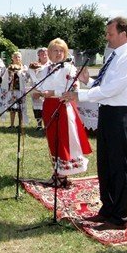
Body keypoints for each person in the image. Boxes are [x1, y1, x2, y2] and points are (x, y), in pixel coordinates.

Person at [62, 17, 127, 231]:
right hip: (108, 112)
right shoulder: (116, 56)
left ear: (123, 33)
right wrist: (87, 81)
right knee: (106, 164)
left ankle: (119, 218)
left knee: (118, 166)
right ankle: (107, 209)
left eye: (110, 33)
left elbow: (113, 89)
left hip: (121, 114)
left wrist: (78, 95)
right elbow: (104, 85)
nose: (107, 37)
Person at [34, 39, 92, 187]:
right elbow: (41, 86)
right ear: (49, 52)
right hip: (48, 106)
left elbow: (74, 89)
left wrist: (54, 92)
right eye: (55, 50)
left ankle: (62, 174)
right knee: (53, 139)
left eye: (61, 51)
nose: (59, 53)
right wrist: (38, 93)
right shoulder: (46, 69)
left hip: (63, 105)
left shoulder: (69, 68)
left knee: (64, 139)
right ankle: (57, 171)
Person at [4, 51, 29, 129]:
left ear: (21, 58)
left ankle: (20, 124)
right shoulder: (9, 68)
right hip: (12, 90)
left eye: (18, 57)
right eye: (15, 57)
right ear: (12, 58)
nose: (17, 58)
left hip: (21, 90)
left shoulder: (24, 67)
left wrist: (20, 73)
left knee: (20, 108)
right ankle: (12, 125)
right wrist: (11, 74)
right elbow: (5, 79)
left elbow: (27, 78)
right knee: (12, 108)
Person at [28, 47, 51, 129]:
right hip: (36, 88)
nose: (44, 54)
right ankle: (39, 124)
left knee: (46, 107)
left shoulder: (51, 65)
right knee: (37, 107)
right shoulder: (34, 65)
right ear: (38, 55)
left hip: (48, 89)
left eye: (45, 53)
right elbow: (31, 77)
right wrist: (37, 90)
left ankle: (47, 125)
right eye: (42, 53)